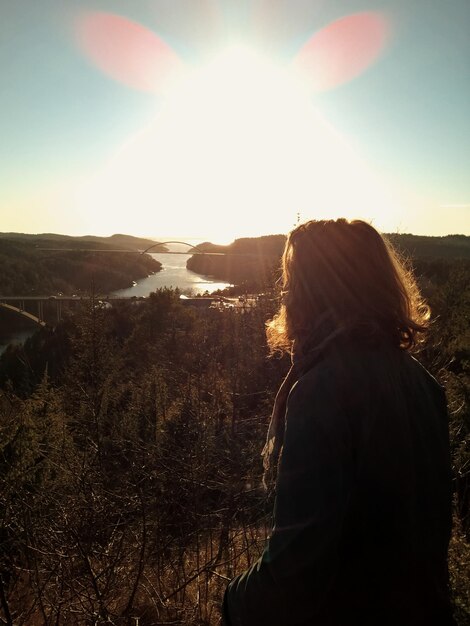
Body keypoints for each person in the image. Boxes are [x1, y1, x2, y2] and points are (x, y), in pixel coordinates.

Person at [222, 219, 455, 626]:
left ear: (319, 291)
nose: (286, 294)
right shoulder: (423, 382)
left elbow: (296, 570)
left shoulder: (323, 390)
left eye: (294, 281)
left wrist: (232, 603)